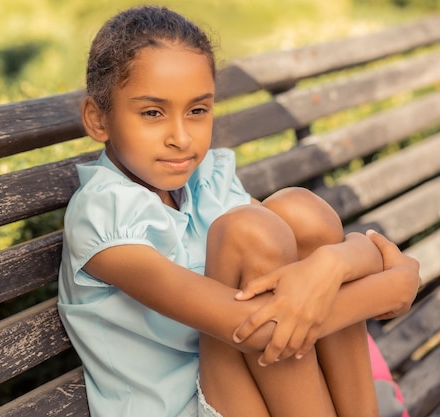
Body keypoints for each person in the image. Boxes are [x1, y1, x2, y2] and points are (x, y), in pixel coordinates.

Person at [57, 5, 420, 417]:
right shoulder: (101, 216)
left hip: (246, 387)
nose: (180, 137)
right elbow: (257, 331)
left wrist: (335, 262)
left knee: (300, 211)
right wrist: (389, 285)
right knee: (247, 230)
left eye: (197, 110)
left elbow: (305, 239)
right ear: (97, 119)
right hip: (186, 406)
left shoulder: (203, 182)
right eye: (152, 113)